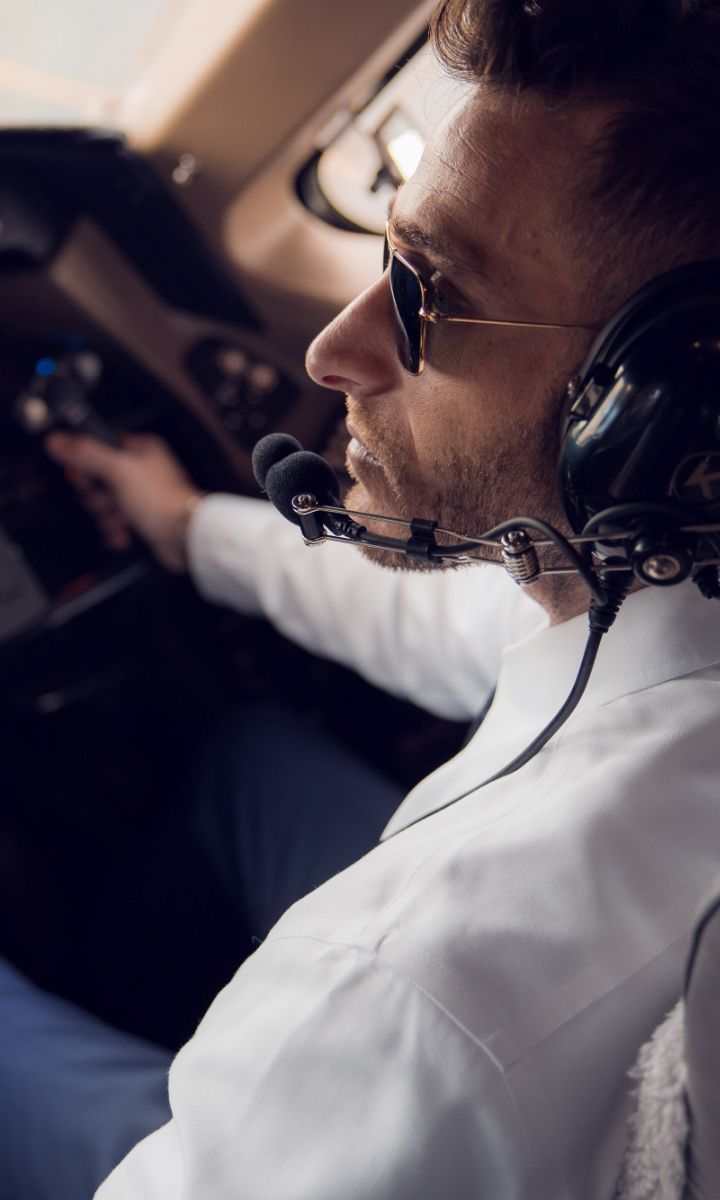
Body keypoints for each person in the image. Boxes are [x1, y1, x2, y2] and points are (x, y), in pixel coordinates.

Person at [3, 0, 720, 1196]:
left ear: (658, 411)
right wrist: (188, 530)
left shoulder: (411, 991)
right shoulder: (653, 596)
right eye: (380, 261)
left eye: (426, 293)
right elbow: (443, 625)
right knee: (246, 758)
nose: (332, 353)